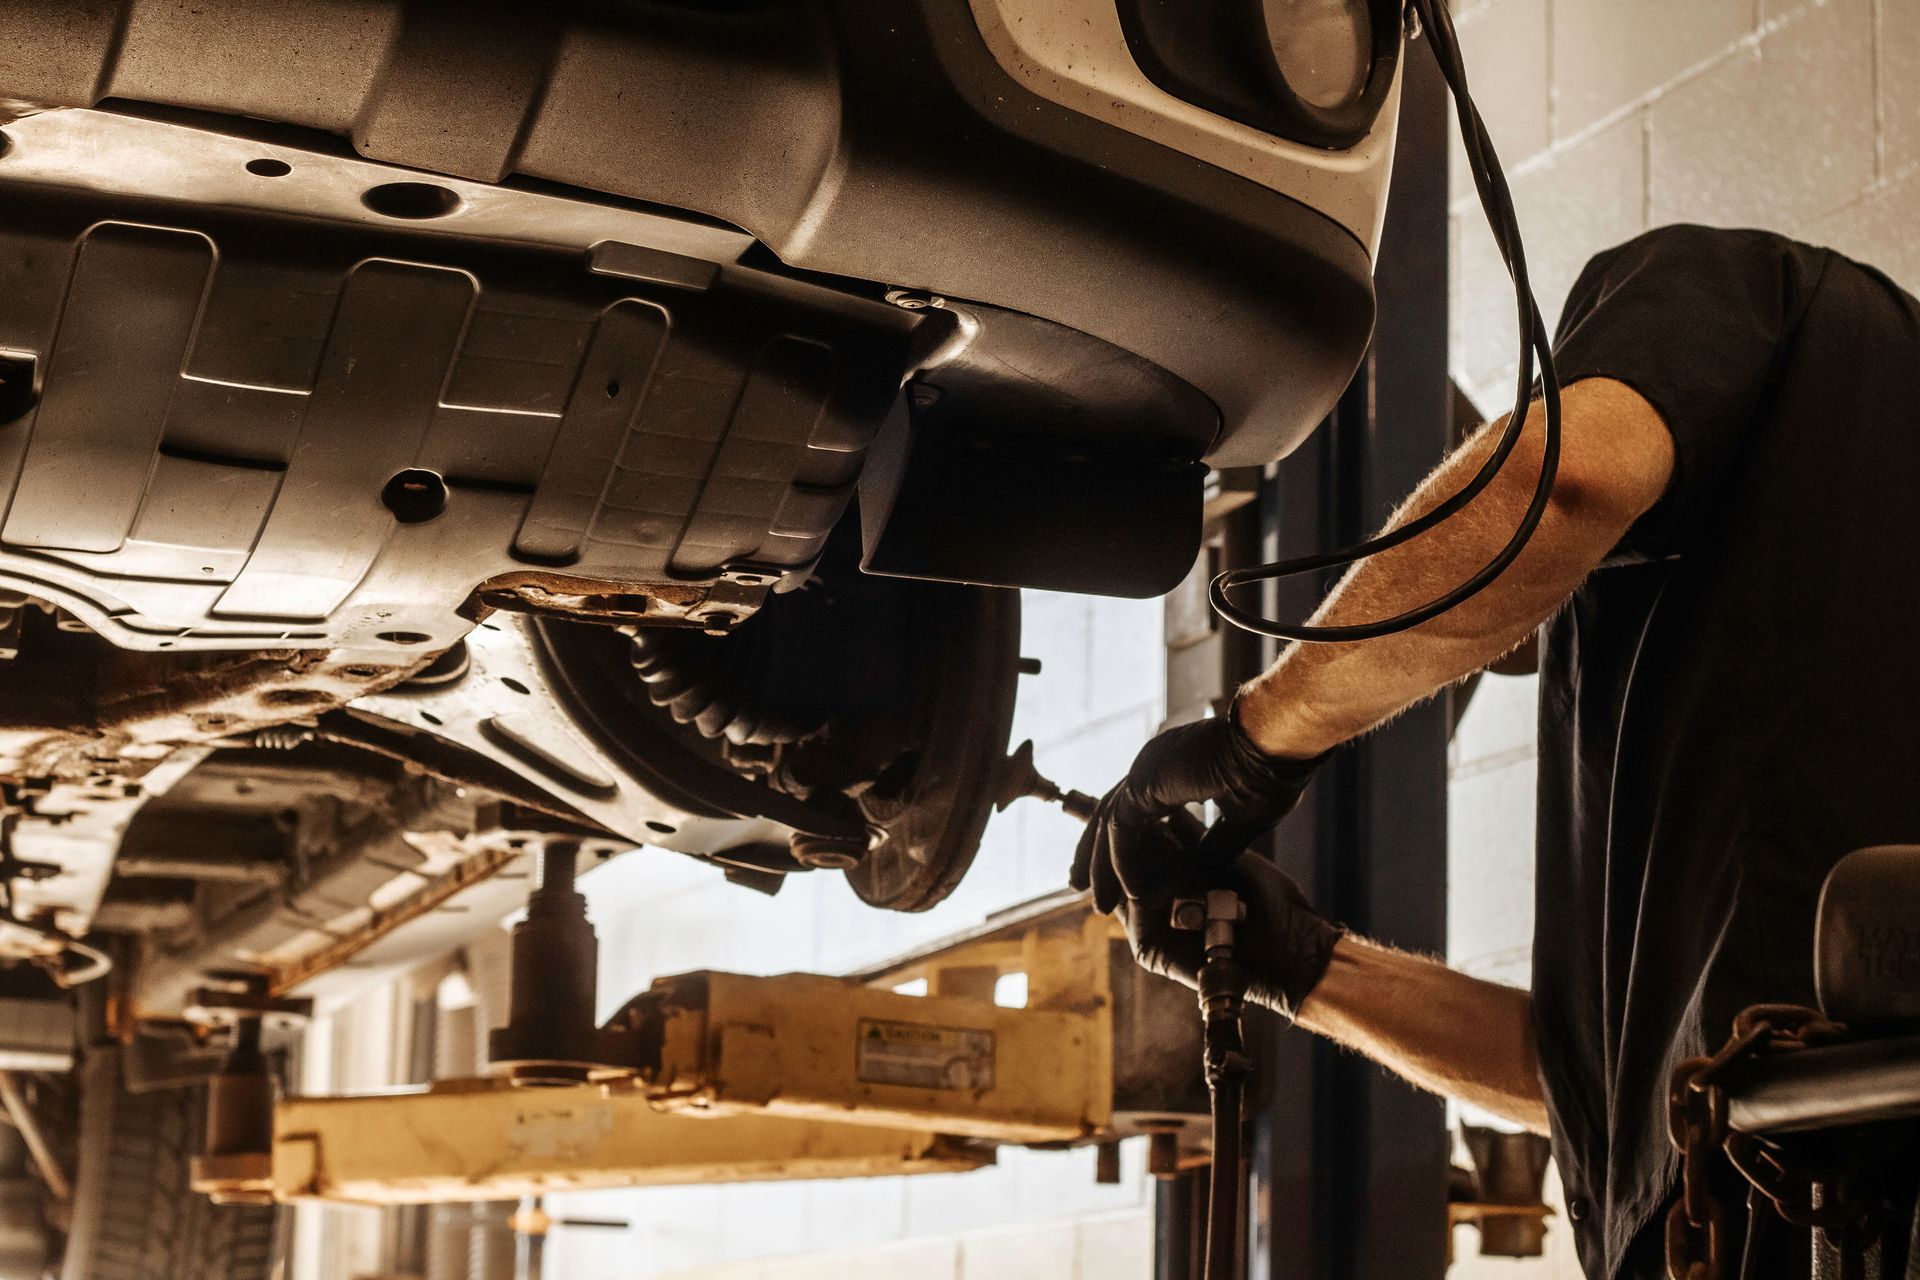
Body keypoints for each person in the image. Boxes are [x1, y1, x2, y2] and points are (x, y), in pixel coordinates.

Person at [1071, 224, 1920, 1280]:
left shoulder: (1752, 300)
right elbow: (1604, 1092)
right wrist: (1308, 966)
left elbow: (1545, 494)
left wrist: (1260, 739)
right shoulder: (1782, 645)